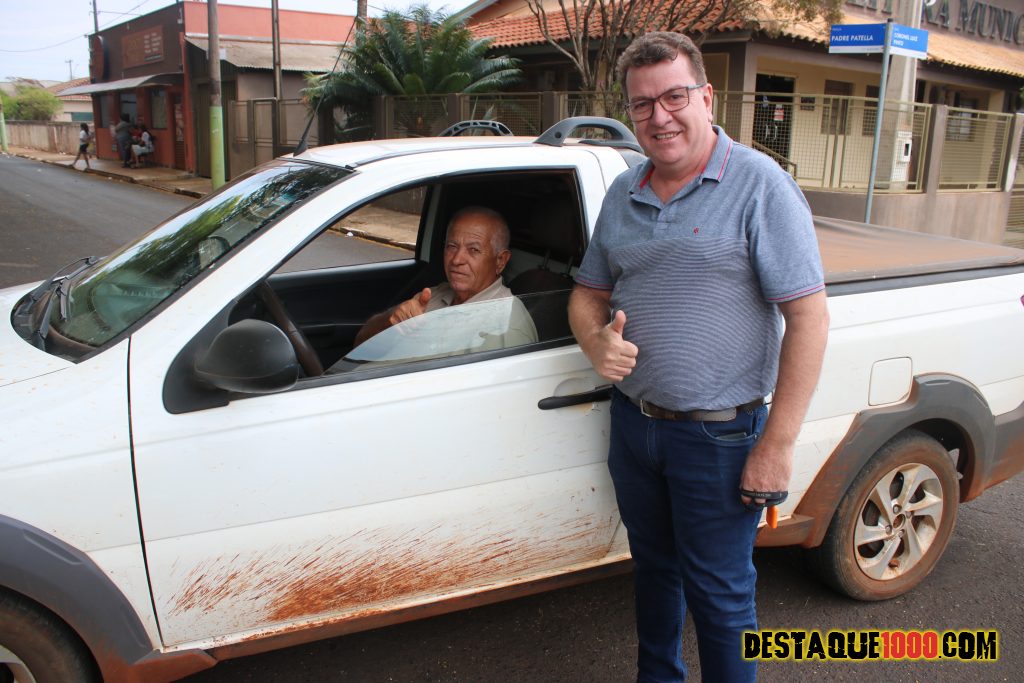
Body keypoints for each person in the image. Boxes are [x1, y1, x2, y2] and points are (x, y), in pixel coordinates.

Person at [568, 32, 829, 683]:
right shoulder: (623, 191)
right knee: (654, 572)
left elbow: (809, 318)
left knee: (721, 596)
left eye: (674, 97)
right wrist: (594, 340)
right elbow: (586, 293)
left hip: (721, 438)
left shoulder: (760, 186)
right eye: (642, 104)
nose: (659, 116)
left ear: (706, 97)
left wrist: (777, 444)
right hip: (635, 426)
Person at [353, 206, 537, 351]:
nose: (456, 260)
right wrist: (390, 319)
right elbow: (360, 344)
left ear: (500, 261)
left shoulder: (506, 326)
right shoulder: (433, 295)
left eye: (473, 250)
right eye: (451, 246)